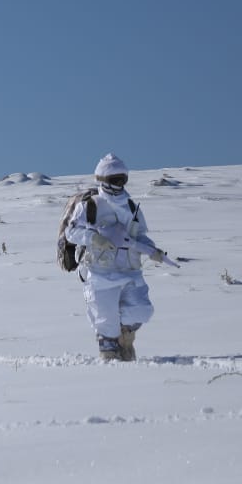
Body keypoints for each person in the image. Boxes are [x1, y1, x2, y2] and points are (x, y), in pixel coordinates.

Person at [63, 154, 170, 361]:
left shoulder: (131, 207)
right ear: (103, 180)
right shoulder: (90, 206)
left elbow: (138, 235)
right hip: (100, 273)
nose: (119, 184)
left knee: (141, 310)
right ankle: (110, 355)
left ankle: (125, 337)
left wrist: (152, 250)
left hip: (130, 271)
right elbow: (71, 232)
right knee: (106, 319)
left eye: (123, 179)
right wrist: (94, 238)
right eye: (115, 179)